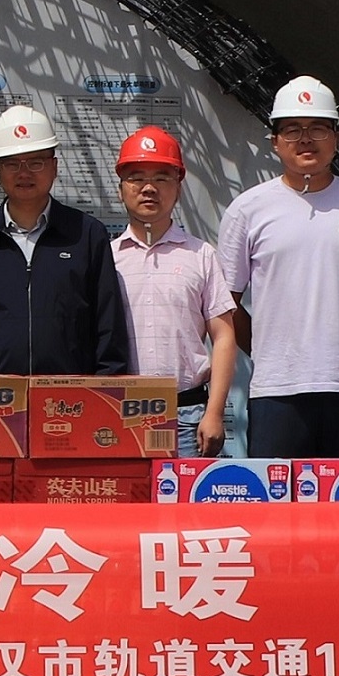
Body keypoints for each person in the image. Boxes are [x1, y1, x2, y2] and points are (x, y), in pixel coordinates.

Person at [216, 76, 339, 458]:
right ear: (275, 141)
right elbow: (225, 301)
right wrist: (265, 349)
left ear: (337, 137)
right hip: (277, 391)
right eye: (292, 130)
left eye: (318, 128)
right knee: (277, 495)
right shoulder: (248, 209)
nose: (306, 140)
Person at [0, 104, 132, 377]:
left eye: (36, 162)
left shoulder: (87, 234)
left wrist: (105, 388)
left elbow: (108, 327)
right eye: (12, 163)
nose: (24, 173)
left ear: (54, 166)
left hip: (70, 395)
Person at [104, 125, 237, 456]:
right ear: (121, 189)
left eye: (162, 178)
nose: (149, 188)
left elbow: (223, 336)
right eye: (136, 178)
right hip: (119, 414)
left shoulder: (201, 255)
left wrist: (214, 412)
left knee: (186, 493)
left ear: (178, 188)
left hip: (188, 416)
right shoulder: (106, 258)